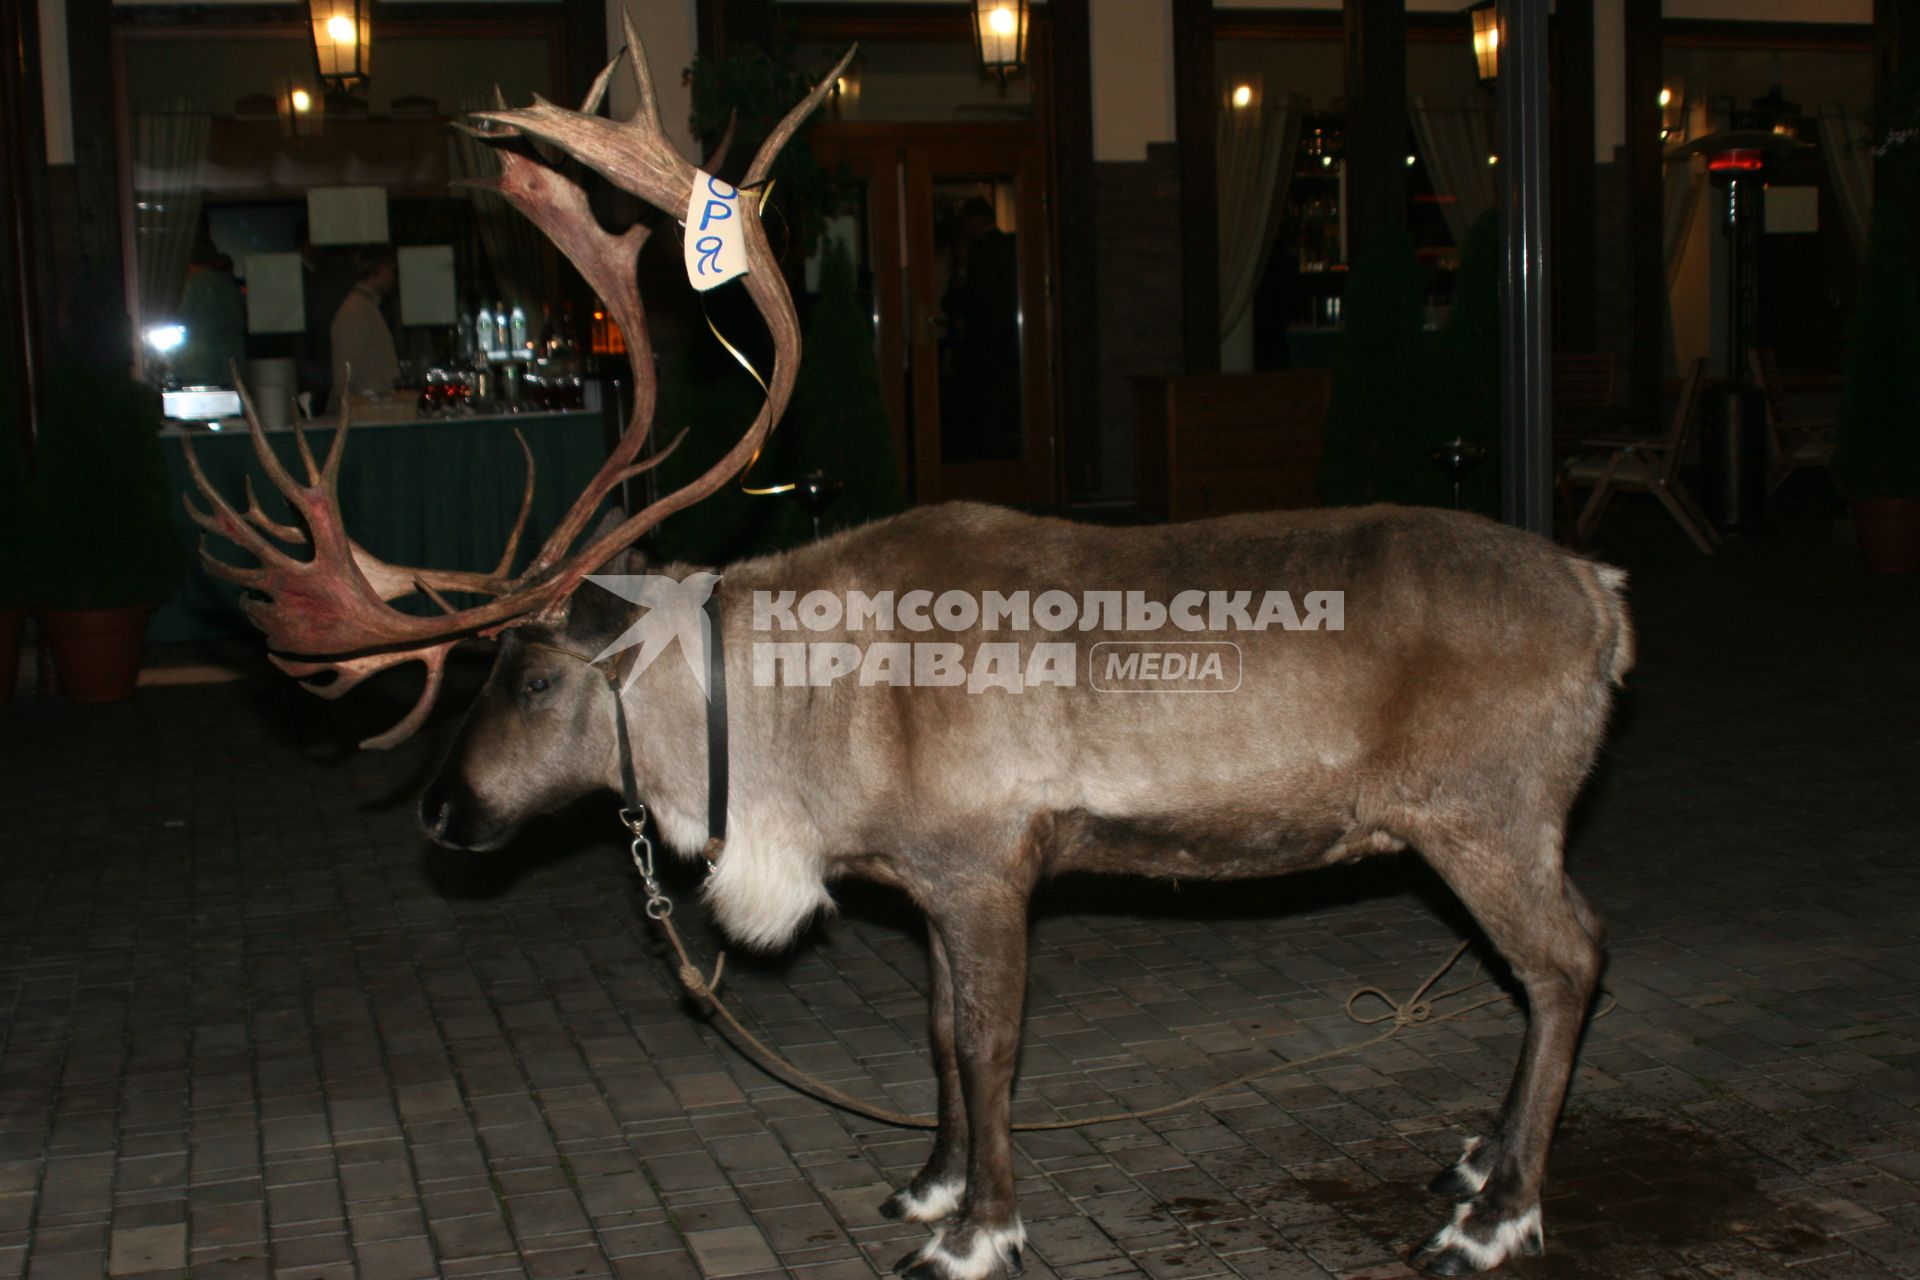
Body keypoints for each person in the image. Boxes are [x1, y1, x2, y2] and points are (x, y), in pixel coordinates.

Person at [328, 246, 400, 412]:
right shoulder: (356, 311)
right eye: (391, 269)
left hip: (370, 406)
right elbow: (345, 371)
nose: (392, 277)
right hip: (366, 408)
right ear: (380, 268)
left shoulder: (363, 307)